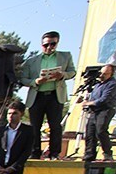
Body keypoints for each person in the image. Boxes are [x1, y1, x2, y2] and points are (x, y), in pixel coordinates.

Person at [20, 31, 76, 160]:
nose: (49, 47)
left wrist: (62, 75)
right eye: (46, 45)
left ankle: (54, 153)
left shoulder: (65, 56)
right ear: (41, 45)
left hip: (55, 95)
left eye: (53, 44)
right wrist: (35, 81)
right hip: (37, 96)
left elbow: (72, 72)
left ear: (57, 43)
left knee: (55, 126)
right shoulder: (31, 61)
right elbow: (23, 79)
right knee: (34, 126)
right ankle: (34, 152)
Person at [80, 63, 116, 172]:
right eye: (101, 73)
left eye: (105, 73)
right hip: (94, 110)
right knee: (90, 132)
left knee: (100, 130)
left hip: (106, 109)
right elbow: (93, 97)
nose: (102, 75)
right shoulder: (97, 85)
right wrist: (85, 100)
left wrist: (90, 103)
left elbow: (105, 99)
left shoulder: (113, 84)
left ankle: (107, 154)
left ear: (111, 74)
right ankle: (89, 155)